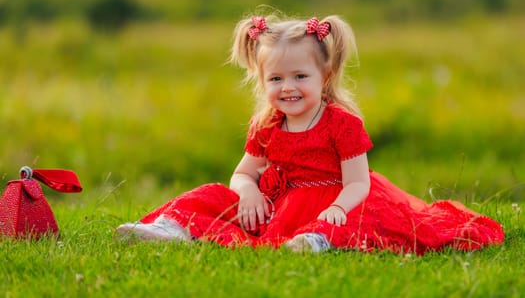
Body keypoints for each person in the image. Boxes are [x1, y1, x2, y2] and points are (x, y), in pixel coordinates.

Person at [116, 14, 504, 254]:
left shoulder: (341, 123)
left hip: (338, 198)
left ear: (325, 76)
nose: (289, 87)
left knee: (362, 221)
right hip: (277, 202)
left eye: (301, 76)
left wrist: (336, 207)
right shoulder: (267, 125)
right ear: (262, 80)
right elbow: (242, 173)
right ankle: (171, 227)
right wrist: (248, 191)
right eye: (276, 78)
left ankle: (319, 240)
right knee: (213, 195)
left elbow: (358, 183)